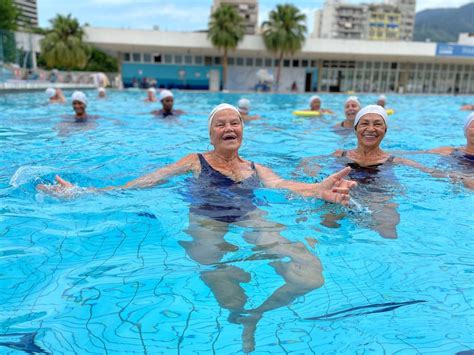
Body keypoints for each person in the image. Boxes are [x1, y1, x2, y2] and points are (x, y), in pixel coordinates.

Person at [38, 103, 356, 352]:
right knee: (224, 286)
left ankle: (259, 312)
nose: (229, 127)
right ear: (211, 133)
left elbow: (285, 185)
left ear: (243, 130)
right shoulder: (195, 161)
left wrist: (318, 190)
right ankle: (243, 314)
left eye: (235, 123)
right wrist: (84, 193)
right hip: (208, 219)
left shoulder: (257, 168)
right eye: (221, 123)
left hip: (249, 215)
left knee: (309, 274)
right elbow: (145, 182)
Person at [299, 105, 470, 239]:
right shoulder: (340, 155)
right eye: (365, 123)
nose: (371, 129)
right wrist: (309, 172)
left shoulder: (394, 160)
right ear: (356, 129)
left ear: (385, 130)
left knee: (388, 231)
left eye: (378, 124)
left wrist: (461, 178)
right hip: (340, 192)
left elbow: (431, 172)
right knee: (328, 229)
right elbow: (308, 162)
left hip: (378, 193)